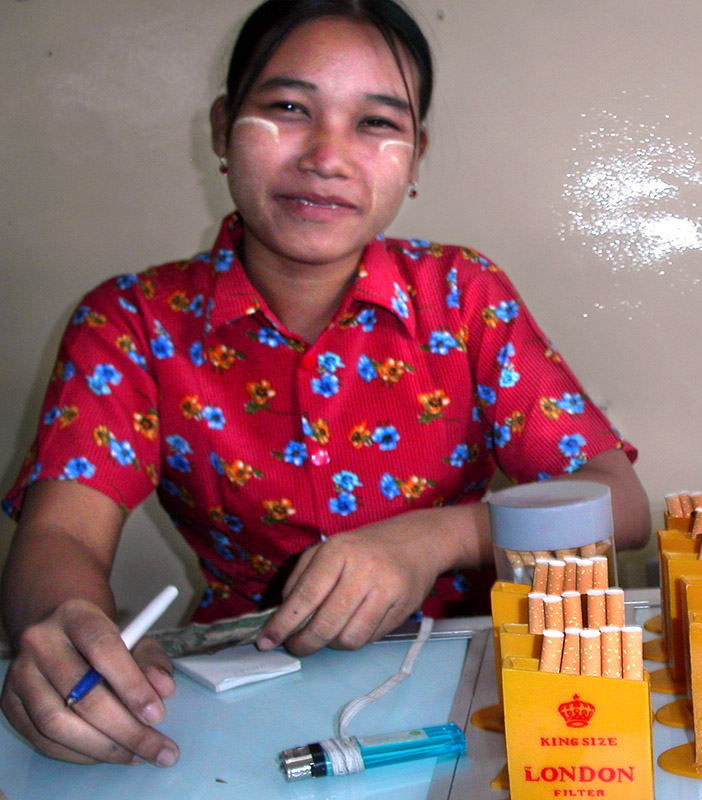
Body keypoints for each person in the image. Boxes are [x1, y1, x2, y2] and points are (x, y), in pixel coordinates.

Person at [0, 0, 649, 768]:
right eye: (286, 108)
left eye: (376, 123)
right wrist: (64, 626)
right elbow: (62, 534)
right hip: (233, 697)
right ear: (220, 128)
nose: (327, 156)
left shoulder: (463, 293)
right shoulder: (132, 321)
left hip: (471, 691)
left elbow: (621, 503)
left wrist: (437, 537)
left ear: (415, 157)